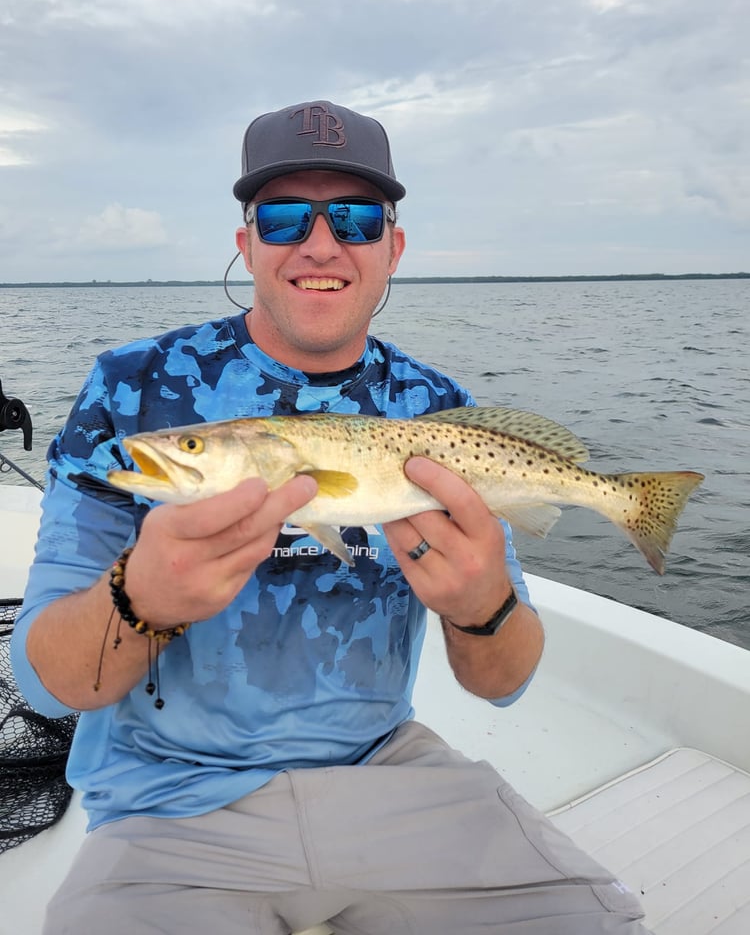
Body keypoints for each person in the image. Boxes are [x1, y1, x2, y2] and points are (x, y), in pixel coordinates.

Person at [12, 100, 651, 934]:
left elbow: (505, 682)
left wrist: (482, 605)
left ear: (393, 248)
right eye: (283, 218)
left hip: (391, 773)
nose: (320, 244)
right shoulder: (132, 391)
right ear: (246, 243)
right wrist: (140, 600)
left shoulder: (439, 413)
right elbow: (45, 682)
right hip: (166, 801)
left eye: (353, 217)